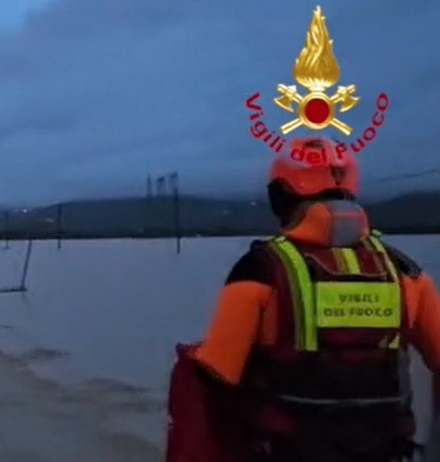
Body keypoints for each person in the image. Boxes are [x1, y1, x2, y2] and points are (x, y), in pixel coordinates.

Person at [188, 136, 440, 462]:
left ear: (280, 197)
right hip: (385, 452)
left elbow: (218, 376)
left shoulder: (259, 269)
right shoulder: (406, 272)